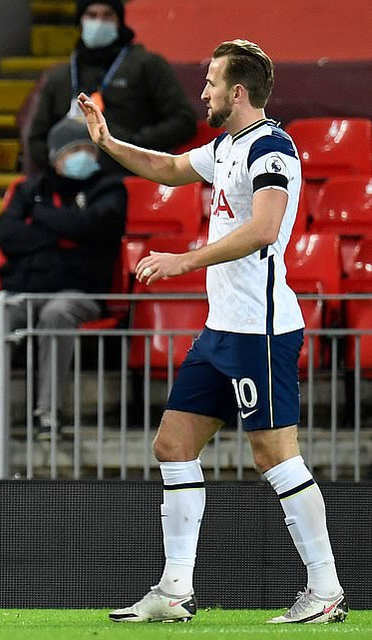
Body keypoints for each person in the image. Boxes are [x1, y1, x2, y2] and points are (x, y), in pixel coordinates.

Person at [78, 39, 347, 624]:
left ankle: (325, 590)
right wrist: (108, 143)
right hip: (221, 330)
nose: (203, 93)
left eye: (211, 83)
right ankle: (174, 590)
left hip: (261, 330)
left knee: (275, 457)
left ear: (238, 91)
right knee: (173, 445)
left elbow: (265, 228)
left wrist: (184, 260)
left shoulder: (272, 148)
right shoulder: (226, 146)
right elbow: (169, 168)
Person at [0, 117, 126, 467]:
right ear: (55, 156)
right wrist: (67, 235)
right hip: (23, 290)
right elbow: (10, 238)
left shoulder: (110, 189)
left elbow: (95, 227)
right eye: (74, 150)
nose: (83, 156)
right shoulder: (28, 189)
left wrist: (40, 218)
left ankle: (47, 414)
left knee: (57, 313)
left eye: (88, 149)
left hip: (79, 290)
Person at [26, 0, 195, 176]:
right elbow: (36, 139)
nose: (99, 22)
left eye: (107, 15)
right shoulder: (60, 76)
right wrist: (60, 160)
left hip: (129, 176)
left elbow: (183, 121)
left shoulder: (147, 65)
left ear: (119, 21)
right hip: (67, 180)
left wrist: (132, 145)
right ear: (80, 21)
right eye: (92, 15)